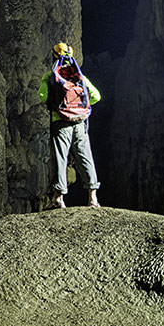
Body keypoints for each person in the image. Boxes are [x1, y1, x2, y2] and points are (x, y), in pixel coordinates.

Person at [37, 41, 102, 208]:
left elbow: (42, 96)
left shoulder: (50, 76)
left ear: (54, 56)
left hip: (60, 123)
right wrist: (80, 109)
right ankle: (93, 198)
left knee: (60, 159)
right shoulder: (80, 77)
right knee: (85, 157)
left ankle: (59, 199)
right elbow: (96, 96)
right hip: (80, 124)